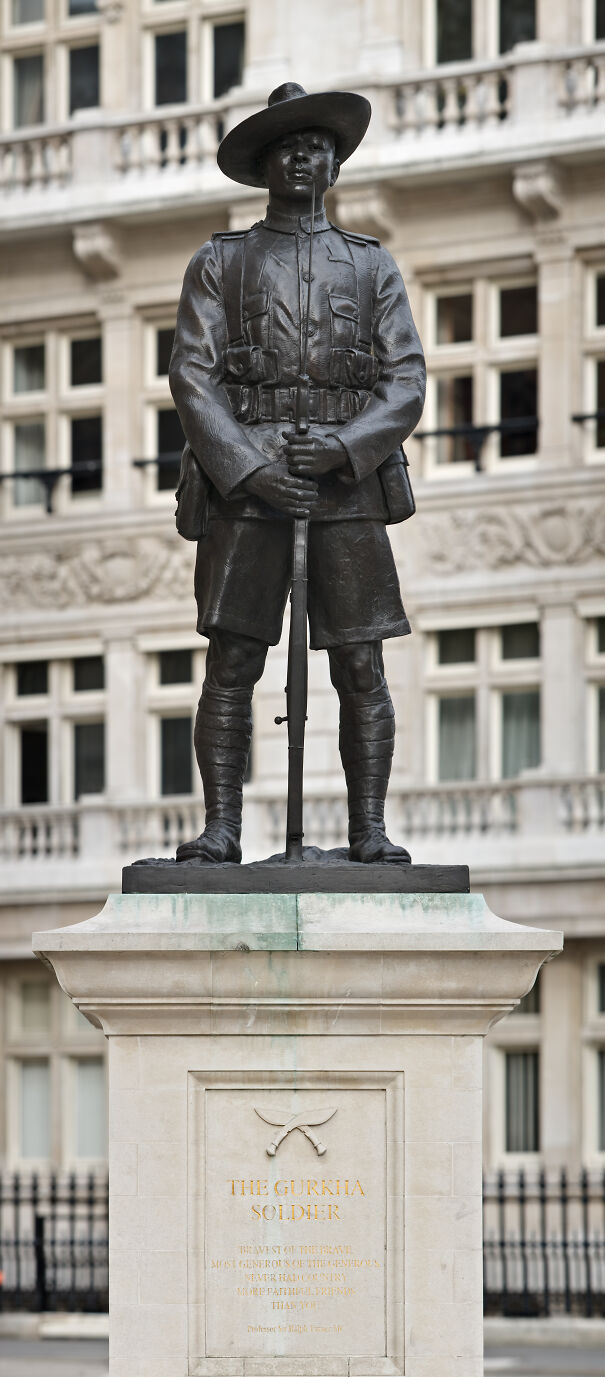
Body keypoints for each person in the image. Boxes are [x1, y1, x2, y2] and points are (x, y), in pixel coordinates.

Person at [169, 82, 426, 865]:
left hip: (345, 485)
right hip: (246, 486)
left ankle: (368, 831)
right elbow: (191, 375)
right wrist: (248, 470)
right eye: (288, 147)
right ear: (265, 165)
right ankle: (222, 831)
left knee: (359, 659)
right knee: (234, 658)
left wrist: (348, 449)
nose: (303, 158)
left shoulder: (371, 267)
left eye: (317, 147)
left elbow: (405, 379)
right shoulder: (222, 262)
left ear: (335, 165)